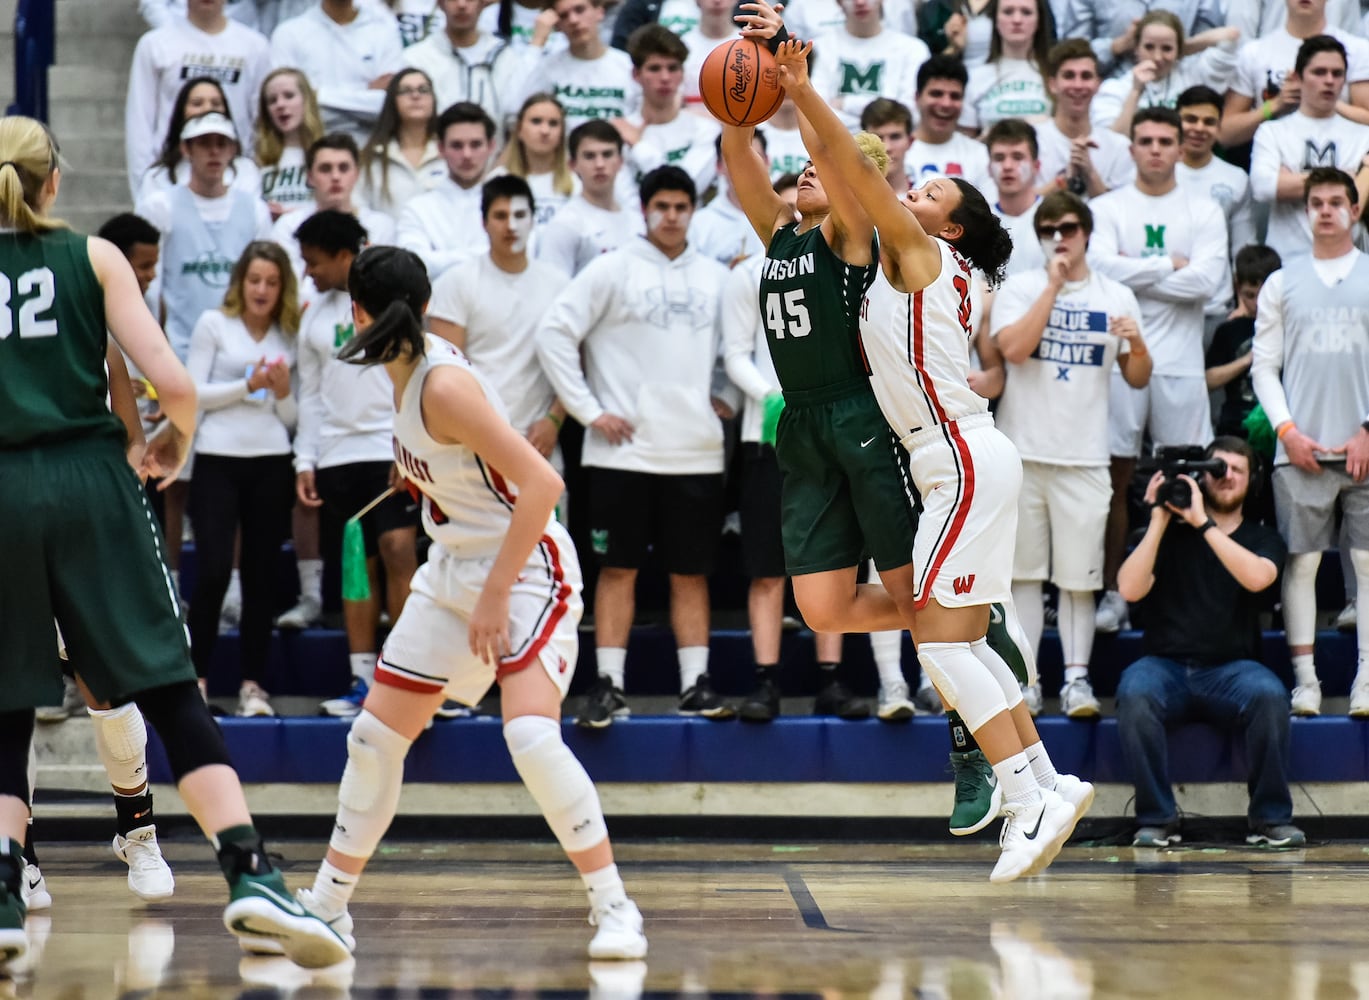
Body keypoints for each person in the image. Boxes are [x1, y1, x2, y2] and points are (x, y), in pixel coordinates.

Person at [0, 113, 348, 969]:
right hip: (90, 483)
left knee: (4, 708)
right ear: (54, 183)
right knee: (165, 684)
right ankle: (248, 872)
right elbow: (175, 385)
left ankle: (5, 892)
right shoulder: (94, 257)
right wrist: (171, 441)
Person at [774, 37, 1094, 882]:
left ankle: (1027, 798)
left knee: (943, 648)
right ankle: (1047, 781)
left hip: (958, 458)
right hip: (959, 459)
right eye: (911, 183)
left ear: (947, 225)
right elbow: (845, 183)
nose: (910, 190)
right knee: (969, 645)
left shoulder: (923, 256)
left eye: (929, 190)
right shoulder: (905, 261)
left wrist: (802, 92)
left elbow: (849, 165)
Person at [297, 244, 648, 960]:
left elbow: (541, 487)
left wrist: (494, 596)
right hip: (453, 565)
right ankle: (328, 906)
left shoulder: (442, 383)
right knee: (372, 738)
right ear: (422, 305)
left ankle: (614, 908)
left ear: (356, 313)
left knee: (528, 737)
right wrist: (426, 482)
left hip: (524, 571)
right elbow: (468, 460)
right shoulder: (408, 368)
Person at [537, 166, 738, 726]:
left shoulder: (717, 278)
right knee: (617, 570)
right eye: (662, 206)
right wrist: (587, 410)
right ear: (644, 209)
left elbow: (740, 347)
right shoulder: (611, 268)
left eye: (681, 207)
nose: (672, 216)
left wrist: (726, 395)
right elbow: (554, 331)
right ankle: (608, 685)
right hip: (619, 454)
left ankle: (696, 684)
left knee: (690, 573)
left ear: (693, 212)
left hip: (696, 450)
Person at [987, 190, 1151, 718]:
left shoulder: (1118, 295)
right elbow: (1013, 350)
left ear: (1087, 232)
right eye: (1050, 228)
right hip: (1022, 454)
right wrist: (1054, 288)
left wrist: (1139, 344)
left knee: (1080, 579)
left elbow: (1138, 376)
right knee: (1024, 577)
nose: (1061, 237)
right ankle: (1029, 681)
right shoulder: (1021, 288)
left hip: (1084, 455)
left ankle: (1078, 681)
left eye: (1070, 227)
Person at [1115, 437, 1304, 847]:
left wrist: (1203, 522)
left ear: (1251, 481)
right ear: (1202, 473)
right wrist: (1160, 518)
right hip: (1164, 666)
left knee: (1270, 695)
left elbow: (1258, 577)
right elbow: (1129, 589)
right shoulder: (1166, 531)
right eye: (1219, 467)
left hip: (1230, 669)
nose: (1227, 476)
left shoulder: (1262, 536)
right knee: (1134, 691)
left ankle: (1270, 819)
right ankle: (1157, 819)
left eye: (1237, 469)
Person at [1088, 106, 1228, 635]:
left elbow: (1208, 285)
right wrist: (1170, 266)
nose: (1154, 149)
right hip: (1121, 358)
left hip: (1181, 362)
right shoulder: (1107, 207)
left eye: (1164, 140)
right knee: (1115, 478)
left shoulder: (1203, 209)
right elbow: (1098, 269)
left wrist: (1135, 273)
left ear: (1178, 148)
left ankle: (1181, 588)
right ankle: (1111, 593)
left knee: (1187, 476)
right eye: (1144, 139)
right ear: (1132, 148)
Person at [1251, 167, 1369, 719]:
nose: (1324, 209)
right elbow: (1264, 368)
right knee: (1301, 564)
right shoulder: (1281, 281)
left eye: (1335, 201)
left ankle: (1366, 679)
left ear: (1354, 209)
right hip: (1299, 449)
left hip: (1362, 446)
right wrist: (1287, 431)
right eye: (1316, 201)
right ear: (1306, 212)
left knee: (1367, 566)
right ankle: (1307, 682)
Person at [293, 211, 420, 719]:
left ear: (345, 256)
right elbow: (310, 396)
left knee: (398, 551)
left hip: (390, 451)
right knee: (356, 567)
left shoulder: (393, 298)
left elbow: (418, 377)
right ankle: (363, 680)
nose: (308, 272)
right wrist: (305, 458)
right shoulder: (314, 317)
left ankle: (411, 674)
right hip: (337, 455)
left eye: (314, 262)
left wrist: (411, 448)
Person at [125, 0, 271, 196]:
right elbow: (140, 122)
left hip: (235, 178)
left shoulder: (255, 47)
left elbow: (262, 123)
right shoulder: (155, 44)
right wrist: (143, 189)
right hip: (170, 177)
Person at [1249, 35, 1369, 262]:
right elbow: (1263, 187)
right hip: (1287, 262)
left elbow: (1363, 202)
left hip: (1350, 264)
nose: (1329, 80)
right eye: (1319, 72)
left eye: (1337, 73)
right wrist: (1348, 178)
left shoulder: (1364, 135)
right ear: (1297, 77)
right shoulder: (1272, 131)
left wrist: (1290, 181)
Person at [1220, 0, 1369, 151]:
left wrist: (1325, 100)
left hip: (1341, 160)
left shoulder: (1357, 50)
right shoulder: (1253, 53)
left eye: (1336, 73)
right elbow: (1225, 134)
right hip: (1274, 157)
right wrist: (1276, 105)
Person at [269, 0, 406, 142]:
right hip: (310, 144)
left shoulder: (384, 32)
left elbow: (388, 105)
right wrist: (365, 92)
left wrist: (313, 95)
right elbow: (288, 107)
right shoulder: (289, 34)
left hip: (371, 146)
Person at [270, 133, 398, 285]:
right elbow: (289, 288)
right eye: (325, 169)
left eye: (343, 168)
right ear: (309, 177)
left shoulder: (381, 226)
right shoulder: (289, 226)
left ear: (356, 174)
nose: (335, 176)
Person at [1091, 12, 1239, 135]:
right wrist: (1135, 91)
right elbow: (1112, 143)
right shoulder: (1115, 88)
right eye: (1149, 47)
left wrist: (1186, 48)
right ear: (1136, 48)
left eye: (1167, 48)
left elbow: (1231, 36)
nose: (1157, 57)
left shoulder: (1192, 75)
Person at [397, 102, 498, 279]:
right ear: (441, 149)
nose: (467, 155)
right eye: (457, 145)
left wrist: (440, 259)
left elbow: (520, 255)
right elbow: (412, 264)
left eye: (475, 145)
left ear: (491, 147)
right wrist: (488, 256)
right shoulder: (418, 208)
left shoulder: (508, 203)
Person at [617, 25, 721, 195]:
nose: (665, 78)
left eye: (672, 68)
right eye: (654, 68)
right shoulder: (620, 132)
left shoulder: (706, 130)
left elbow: (684, 190)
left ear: (682, 73)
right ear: (636, 74)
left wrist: (638, 146)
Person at [536, 120, 644, 277]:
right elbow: (552, 289)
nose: (599, 164)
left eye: (607, 154)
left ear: (620, 162)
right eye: (589, 156)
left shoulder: (637, 221)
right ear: (572, 165)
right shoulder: (565, 225)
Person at [135, 77, 264, 206]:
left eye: (216, 103)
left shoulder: (245, 171)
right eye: (197, 104)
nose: (208, 109)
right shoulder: (157, 177)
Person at [403, 0, 528, 131]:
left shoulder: (506, 58)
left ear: (482, 3)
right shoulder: (415, 59)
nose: (461, 5)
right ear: (440, 3)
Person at [808, 0, 931, 132]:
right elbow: (814, 113)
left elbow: (910, 113)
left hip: (890, 148)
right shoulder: (818, 48)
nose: (860, 2)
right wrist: (884, 119)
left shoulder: (913, 50)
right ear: (838, 2)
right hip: (831, 146)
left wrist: (846, 104)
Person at [1035, 39, 1136, 199]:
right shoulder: (1033, 140)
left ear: (1097, 84)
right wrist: (1065, 179)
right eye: (1069, 76)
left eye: (1086, 76)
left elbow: (1123, 213)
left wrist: (1090, 173)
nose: (1078, 85)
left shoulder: (1118, 147)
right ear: (1053, 84)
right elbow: (1019, 207)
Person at [519, 0, 639, 134]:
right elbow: (515, 109)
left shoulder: (627, 66)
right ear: (557, 25)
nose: (573, 20)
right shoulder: (548, 69)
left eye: (580, 10)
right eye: (564, 15)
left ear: (599, 12)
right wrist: (537, 42)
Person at [1207, 244, 1282, 439]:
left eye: (1264, 294)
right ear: (1237, 287)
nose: (1258, 303)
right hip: (1236, 425)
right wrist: (1247, 360)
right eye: (1250, 295)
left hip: (1279, 424)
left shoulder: (1290, 327)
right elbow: (1208, 379)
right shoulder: (1229, 330)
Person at [359, 69, 448, 219]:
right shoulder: (371, 157)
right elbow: (361, 209)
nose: (415, 96)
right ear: (392, 101)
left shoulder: (449, 152)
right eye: (405, 91)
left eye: (423, 90)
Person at [1058, 0, 1225, 80]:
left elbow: (1211, 45)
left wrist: (1178, 49)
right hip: (1109, 91)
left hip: (1179, 87)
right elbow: (1071, 53)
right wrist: (1116, 46)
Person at [959, 0, 1055, 137]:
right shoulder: (975, 78)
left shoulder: (1056, 75)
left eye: (1026, 12)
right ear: (995, 20)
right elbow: (965, 147)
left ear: (1039, 20)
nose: (1017, 20)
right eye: (1008, 12)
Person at [904, 59, 993, 193]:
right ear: (917, 98)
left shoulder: (980, 155)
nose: (946, 104)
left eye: (955, 96)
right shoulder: (897, 152)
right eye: (936, 94)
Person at [494, 94, 578, 228]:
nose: (545, 131)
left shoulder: (577, 185)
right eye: (536, 121)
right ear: (519, 129)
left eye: (553, 123)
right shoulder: (498, 181)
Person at [254, 67, 325, 218]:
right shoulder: (256, 160)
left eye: (289, 96)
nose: (280, 105)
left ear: (307, 100)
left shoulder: (329, 154)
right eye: (272, 100)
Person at [984, 118, 1045, 276]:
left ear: (1036, 166)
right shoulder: (978, 223)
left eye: (1017, 157)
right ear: (989, 169)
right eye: (999, 158)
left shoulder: (1055, 218)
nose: (1007, 166)